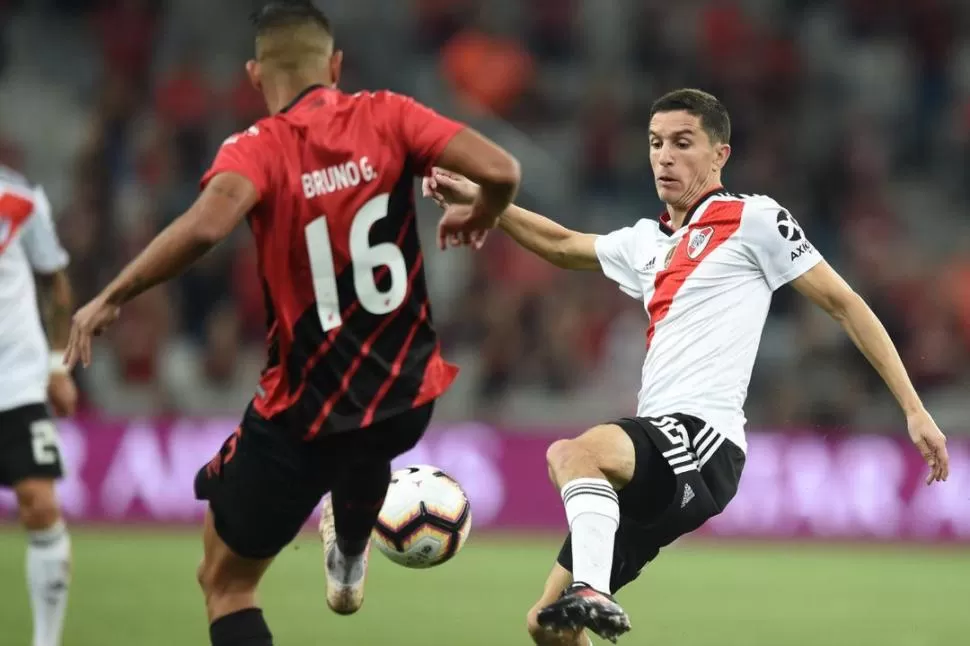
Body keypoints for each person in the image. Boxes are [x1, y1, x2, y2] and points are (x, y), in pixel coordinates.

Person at [63, 3, 520, 645]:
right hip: (405, 395)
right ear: (334, 66)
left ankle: (346, 542)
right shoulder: (389, 114)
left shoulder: (260, 147)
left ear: (255, 76)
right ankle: (352, 549)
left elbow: (205, 227)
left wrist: (114, 293)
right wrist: (482, 212)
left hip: (304, 413)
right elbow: (502, 170)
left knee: (226, 584)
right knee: (370, 439)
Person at [423, 88, 950, 645]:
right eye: (654, 143)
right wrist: (490, 205)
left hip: (704, 440)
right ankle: (588, 594)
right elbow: (560, 243)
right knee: (546, 627)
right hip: (663, 451)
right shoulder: (646, 241)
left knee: (571, 453)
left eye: (682, 143)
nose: (664, 157)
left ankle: (593, 590)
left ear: (720, 154)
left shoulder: (755, 219)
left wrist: (913, 409)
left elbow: (847, 305)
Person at [0, 164, 77, 646]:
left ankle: (45, 642)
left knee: (41, 504)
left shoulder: (18, 196)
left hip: (16, 379)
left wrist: (55, 364)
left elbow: (54, 281)